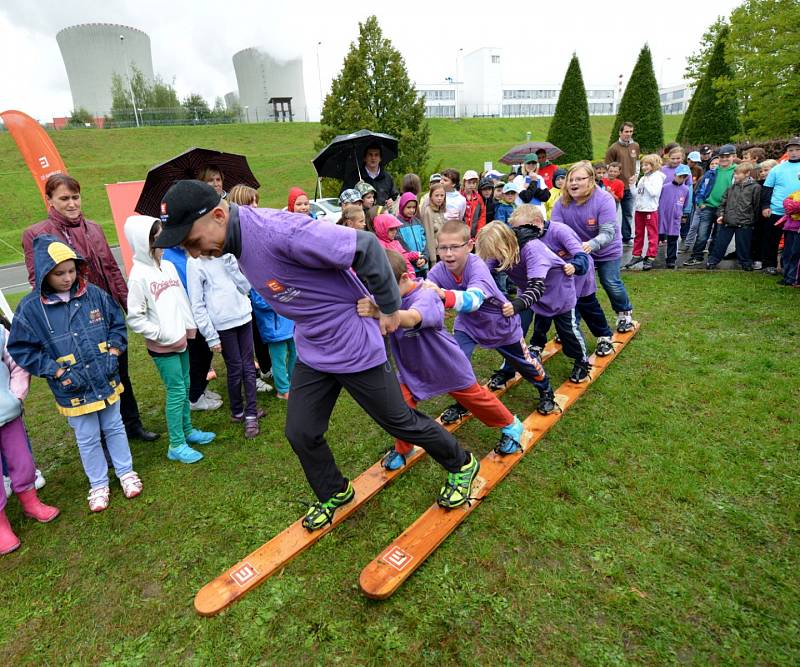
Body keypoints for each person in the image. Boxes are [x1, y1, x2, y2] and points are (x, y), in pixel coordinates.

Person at [154, 180, 479, 527]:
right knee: (301, 430)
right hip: (313, 347)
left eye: (191, 240)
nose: (193, 251)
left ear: (219, 215)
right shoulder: (235, 242)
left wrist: (388, 306)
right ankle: (334, 490)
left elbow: (366, 246)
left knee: (398, 420)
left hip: (354, 345)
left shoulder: (280, 232)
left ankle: (461, 463)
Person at [356, 249, 524, 469]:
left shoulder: (426, 294)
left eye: (385, 290)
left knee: (476, 399)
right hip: (412, 368)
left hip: (446, 365)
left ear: (405, 278)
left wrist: (379, 312)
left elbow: (413, 317)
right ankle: (404, 448)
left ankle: (511, 426)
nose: (382, 298)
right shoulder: (382, 299)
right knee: (400, 407)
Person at [9, 236, 142, 512]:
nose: (67, 278)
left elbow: (117, 324)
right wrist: (55, 370)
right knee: (88, 437)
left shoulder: (94, 294)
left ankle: (126, 472)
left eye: (71, 270)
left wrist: (114, 353)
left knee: (115, 427)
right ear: (46, 273)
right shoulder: (31, 309)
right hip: (73, 389)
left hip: (105, 379)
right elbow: (22, 348)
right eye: (59, 273)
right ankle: (98, 484)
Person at [21, 174, 157, 442]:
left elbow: (111, 269)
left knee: (119, 370)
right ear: (49, 200)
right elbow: (37, 280)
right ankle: (101, 437)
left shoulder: (93, 228)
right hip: (70, 321)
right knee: (86, 377)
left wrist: (129, 306)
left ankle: (132, 424)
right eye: (64, 198)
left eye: (75, 197)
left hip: (104, 313)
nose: (72, 204)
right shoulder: (37, 234)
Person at [427, 220, 557, 420]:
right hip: (468, 326)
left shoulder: (477, 267)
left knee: (525, 363)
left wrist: (443, 296)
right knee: (457, 361)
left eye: (454, 247)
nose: (448, 253)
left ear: (469, 246)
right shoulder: (438, 271)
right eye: (443, 248)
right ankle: (464, 402)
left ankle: (545, 389)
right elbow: (422, 293)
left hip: (501, 326)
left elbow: (473, 300)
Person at [124, 217, 216, 464]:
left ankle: (187, 430)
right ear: (143, 242)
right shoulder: (138, 276)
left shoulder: (169, 267)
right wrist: (161, 334)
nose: (162, 241)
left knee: (185, 387)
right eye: (156, 238)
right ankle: (176, 444)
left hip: (182, 340)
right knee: (176, 391)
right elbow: (135, 318)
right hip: (163, 346)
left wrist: (189, 328)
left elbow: (181, 300)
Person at [476, 218, 591, 384]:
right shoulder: (498, 251)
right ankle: (508, 369)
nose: (495, 258)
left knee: (568, 332)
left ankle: (582, 361)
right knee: (514, 331)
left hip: (557, 293)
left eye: (496, 253)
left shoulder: (532, 250)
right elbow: (482, 272)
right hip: (528, 291)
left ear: (506, 244)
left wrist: (515, 305)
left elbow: (537, 288)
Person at [550, 162, 635, 333]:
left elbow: (608, 232)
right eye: (570, 179)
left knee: (610, 281)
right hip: (578, 252)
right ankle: (574, 324)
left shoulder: (604, 199)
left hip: (605, 250)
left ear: (591, 180)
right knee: (576, 287)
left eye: (579, 179)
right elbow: (556, 231)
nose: (573, 183)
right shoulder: (561, 203)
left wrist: (590, 244)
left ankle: (624, 312)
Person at [0, 317, 59, 553]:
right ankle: (1, 525)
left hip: (7, 412)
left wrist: (16, 397)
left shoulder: (1, 333)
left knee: (22, 460)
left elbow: (16, 363)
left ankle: (31, 502)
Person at [188, 253, 263, 438]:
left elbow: (246, 287)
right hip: (222, 323)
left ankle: (251, 414)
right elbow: (197, 304)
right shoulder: (194, 262)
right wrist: (211, 336)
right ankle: (238, 411)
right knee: (236, 367)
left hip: (244, 317)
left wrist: (232, 266)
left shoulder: (229, 254)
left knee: (248, 366)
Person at [226, 185, 274, 395]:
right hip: (239, 295)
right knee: (245, 341)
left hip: (257, 289)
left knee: (260, 331)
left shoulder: (256, 226)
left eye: (257, 201)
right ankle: (250, 378)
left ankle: (266, 366)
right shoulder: (231, 234)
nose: (255, 206)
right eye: (250, 202)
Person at [684, 144, 737, 267]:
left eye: (727, 156)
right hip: (708, 207)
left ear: (733, 157)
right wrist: (700, 202)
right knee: (702, 234)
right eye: (721, 156)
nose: (724, 159)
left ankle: (712, 258)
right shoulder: (711, 173)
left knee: (718, 235)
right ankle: (696, 256)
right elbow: (701, 188)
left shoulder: (736, 172)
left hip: (723, 209)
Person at [707, 162, 761, 271]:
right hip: (728, 221)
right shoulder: (731, 188)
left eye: (738, 174)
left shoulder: (755, 188)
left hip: (745, 223)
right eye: (734, 173)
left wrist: (752, 220)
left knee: (743, 245)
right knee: (720, 243)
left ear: (747, 174)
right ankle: (713, 261)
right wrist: (721, 215)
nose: (735, 176)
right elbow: (723, 203)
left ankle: (745, 263)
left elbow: (756, 206)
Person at [761, 137, 800, 275]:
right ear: (786, 152)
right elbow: (767, 189)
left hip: (797, 214)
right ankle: (769, 264)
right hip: (777, 210)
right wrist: (765, 206)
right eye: (790, 150)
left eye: (797, 150)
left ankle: (789, 268)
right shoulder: (777, 169)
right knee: (771, 239)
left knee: (793, 244)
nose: (794, 153)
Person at [250, 289, 296, 399]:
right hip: (273, 327)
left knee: (296, 354)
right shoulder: (256, 279)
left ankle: (294, 382)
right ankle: (282, 390)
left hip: (290, 322)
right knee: (279, 358)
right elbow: (259, 302)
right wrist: (282, 300)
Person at [605, 121, 642, 247]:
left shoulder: (635, 146)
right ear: (620, 132)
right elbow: (607, 168)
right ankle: (609, 237)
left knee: (628, 214)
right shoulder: (613, 148)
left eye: (631, 132)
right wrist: (609, 184)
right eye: (626, 131)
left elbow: (637, 163)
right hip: (615, 188)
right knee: (610, 214)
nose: (629, 134)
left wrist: (636, 176)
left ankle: (626, 238)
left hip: (629, 187)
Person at [626, 154, 664, 271]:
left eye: (646, 165)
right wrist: (632, 184)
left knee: (652, 234)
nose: (643, 167)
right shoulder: (643, 178)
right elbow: (636, 194)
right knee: (638, 233)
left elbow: (654, 193)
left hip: (650, 210)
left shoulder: (658, 177)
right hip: (640, 209)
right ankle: (637, 255)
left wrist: (646, 181)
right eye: (643, 164)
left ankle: (651, 257)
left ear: (653, 166)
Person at [657, 164, 692, 269]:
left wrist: (681, 214)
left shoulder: (686, 189)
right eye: (680, 176)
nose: (681, 179)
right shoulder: (665, 187)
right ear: (675, 175)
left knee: (673, 239)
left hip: (675, 218)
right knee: (657, 237)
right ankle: (651, 257)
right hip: (662, 217)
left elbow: (685, 203)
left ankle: (671, 260)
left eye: (684, 177)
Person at [395, 193, 429, 277]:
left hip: (422, 265)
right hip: (409, 267)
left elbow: (424, 242)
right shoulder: (397, 224)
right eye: (408, 207)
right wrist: (414, 260)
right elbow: (401, 245)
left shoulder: (418, 222)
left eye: (414, 207)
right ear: (402, 206)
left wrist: (425, 257)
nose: (412, 210)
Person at [777, 190, 800, 285]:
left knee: (796, 253)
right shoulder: (796, 193)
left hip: (798, 229)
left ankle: (793, 278)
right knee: (787, 253)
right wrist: (792, 205)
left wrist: (793, 205)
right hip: (790, 227)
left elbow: (793, 205)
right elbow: (786, 203)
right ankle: (787, 277)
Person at [421, 182, 447, 264]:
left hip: (443, 251)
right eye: (436, 195)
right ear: (431, 197)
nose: (439, 198)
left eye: (442, 195)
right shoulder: (428, 211)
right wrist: (433, 259)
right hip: (435, 255)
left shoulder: (441, 210)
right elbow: (429, 237)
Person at [462, 170, 486, 240]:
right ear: (464, 182)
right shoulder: (459, 197)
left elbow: (482, 216)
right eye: (469, 183)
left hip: (474, 234)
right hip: (461, 234)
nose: (471, 185)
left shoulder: (479, 198)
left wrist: (479, 232)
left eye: (474, 183)